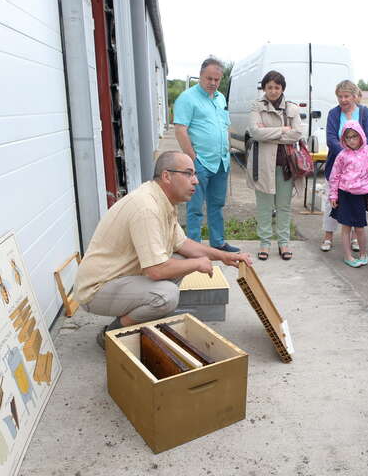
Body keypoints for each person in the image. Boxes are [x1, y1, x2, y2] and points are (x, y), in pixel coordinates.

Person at [74, 151, 253, 348]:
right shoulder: (147, 208)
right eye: (188, 174)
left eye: (194, 175)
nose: (195, 181)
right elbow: (156, 270)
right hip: (97, 289)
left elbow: (183, 245)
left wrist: (225, 256)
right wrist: (196, 264)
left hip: (119, 278)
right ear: (167, 176)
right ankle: (112, 333)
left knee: (176, 257)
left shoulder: (163, 201)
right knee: (166, 295)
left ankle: (132, 312)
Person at [174, 57, 239, 252]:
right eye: (209, 78)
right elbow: (180, 130)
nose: (213, 83)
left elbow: (225, 125)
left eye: (217, 80)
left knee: (217, 205)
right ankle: (193, 247)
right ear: (200, 76)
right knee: (194, 208)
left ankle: (217, 243)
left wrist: (227, 149)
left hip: (221, 162)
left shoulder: (220, 98)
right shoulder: (187, 98)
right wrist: (193, 160)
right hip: (199, 162)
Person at [247, 71, 302, 261]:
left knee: (284, 206)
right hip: (262, 165)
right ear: (264, 88)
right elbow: (255, 132)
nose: (273, 90)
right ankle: (264, 243)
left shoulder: (292, 109)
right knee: (264, 206)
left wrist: (268, 134)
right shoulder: (256, 106)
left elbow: (297, 134)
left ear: (282, 89)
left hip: (286, 166)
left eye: (277, 87)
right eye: (269, 87)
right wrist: (282, 131)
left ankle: (283, 243)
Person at [321, 80, 368, 253]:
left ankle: (354, 239)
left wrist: (359, 157)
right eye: (340, 96)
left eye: (346, 96)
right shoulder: (333, 113)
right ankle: (328, 236)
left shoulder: (364, 112)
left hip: (359, 171)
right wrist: (347, 156)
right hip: (338, 165)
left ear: (354, 96)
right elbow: (331, 139)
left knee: (355, 205)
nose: (343, 100)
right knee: (332, 202)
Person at [328, 121, 368, 267]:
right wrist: (333, 195)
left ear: (361, 136)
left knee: (359, 227)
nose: (351, 140)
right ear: (343, 139)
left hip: (361, 195)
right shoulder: (342, 155)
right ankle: (348, 256)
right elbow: (335, 176)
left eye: (354, 136)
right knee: (345, 227)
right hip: (344, 194)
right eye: (348, 138)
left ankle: (363, 253)